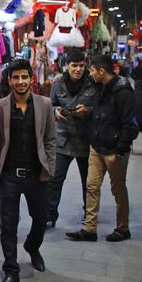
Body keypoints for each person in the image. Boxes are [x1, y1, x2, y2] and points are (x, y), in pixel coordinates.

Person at [0, 59, 55, 282]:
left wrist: (50, 168)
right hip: (10, 176)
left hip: (37, 175)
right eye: (15, 78)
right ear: (9, 81)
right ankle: (11, 272)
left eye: (24, 77)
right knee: (9, 225)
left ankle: (32, 246)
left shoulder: (45, 104)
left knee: (41, 219)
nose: (20, 82)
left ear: (31, 79)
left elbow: (50, 140)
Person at [66, 54, 138, 243]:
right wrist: (88, 111)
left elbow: (129, 125)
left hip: (114, 151)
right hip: (97, 147)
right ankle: (89, 229)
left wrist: (120, 151)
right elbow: (100, 112)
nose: (89, 73)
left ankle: (123, 229)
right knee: (91, 187)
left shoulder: (123, 92)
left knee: (118, 190)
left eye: (92, 70)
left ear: (102, 71)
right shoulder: (99, 87)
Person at [45, 49, 96, 228]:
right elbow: (50, 105)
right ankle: (49, 216)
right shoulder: (58, 83)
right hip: (62, 138)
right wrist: (55, 111)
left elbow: (101, 108)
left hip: (86, 140)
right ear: (67, 66)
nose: (78, 70)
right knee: (54, 180)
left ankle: (89, 216)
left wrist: (88, 111)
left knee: (88, 183)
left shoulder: (93, 82)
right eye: (74, 66)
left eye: (82, 66)